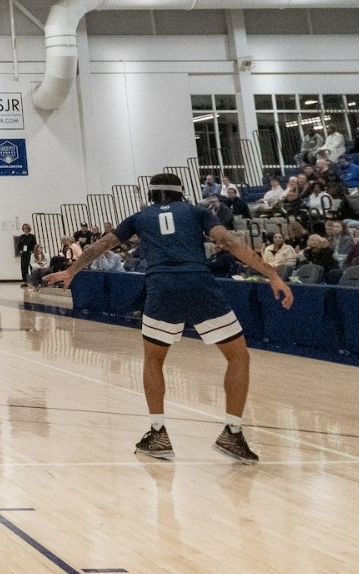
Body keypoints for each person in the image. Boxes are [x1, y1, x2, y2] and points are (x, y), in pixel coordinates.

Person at [46, 172, 293, 463]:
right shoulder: (197, 212)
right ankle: (233, 433)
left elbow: (101, 245)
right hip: (200, 284)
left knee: (154, 360)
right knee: (238, 357)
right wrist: (272, 274)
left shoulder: (139, 217)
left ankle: (158, 432)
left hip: (161, 287)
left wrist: (72, 270)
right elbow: (229, 241)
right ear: (180, 192)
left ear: (152, 195)